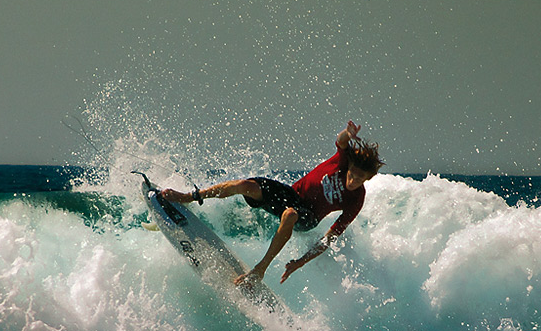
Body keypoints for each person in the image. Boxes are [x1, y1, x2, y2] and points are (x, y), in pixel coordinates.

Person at [161, 120, 383, 285]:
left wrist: (300, 262)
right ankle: (189, 196)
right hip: (291, 195)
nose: (353, 180)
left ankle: (260, 269)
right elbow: (342, 140)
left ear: (368, 179)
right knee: (245, 185)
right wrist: (348, 132)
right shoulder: (342, 162)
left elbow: (330, 238)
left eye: (359, 178)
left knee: (291, 215)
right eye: (352, 174)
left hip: (308, 217)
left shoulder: (356, 200)